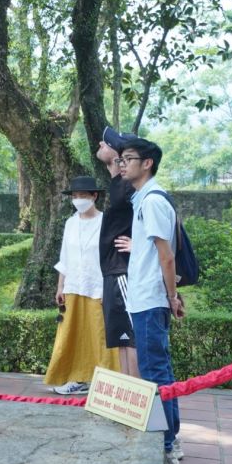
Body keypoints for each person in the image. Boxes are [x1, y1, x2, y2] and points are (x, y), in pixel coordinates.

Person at [115, 138, 184, 464]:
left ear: (147, 164)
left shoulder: (153, 201)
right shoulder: (143, 199)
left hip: (150, 299)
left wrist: (171, 297)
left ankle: (167, 443)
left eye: (129, 158)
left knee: (156, 370)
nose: (122, 164)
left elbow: (166, 257)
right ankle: (168, 436)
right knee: (158, 369)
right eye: (121, 158)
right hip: (145, 297)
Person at [44, 176, 120, 395]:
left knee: (100, 335)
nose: (78, 200)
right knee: (71, 334)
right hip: (73, 286)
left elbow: (112, 258)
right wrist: (60, 286)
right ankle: (76, 379)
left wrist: (109, 288)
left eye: (82, 196)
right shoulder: (70, 222)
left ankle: (106, 384)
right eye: (75, 196)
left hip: (98, 287)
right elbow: (64, 257)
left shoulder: (106, 222)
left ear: (94, 196)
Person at [97, 127, 140, 377]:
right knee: (122, 340)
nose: (102, 144)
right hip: (113, 271)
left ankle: (138, 399)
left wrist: (138, 245)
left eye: (108, 144)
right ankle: (128, 398)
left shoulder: (131, 188)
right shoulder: (119, 185)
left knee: (130, 339)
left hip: (122, 269)